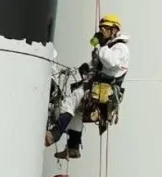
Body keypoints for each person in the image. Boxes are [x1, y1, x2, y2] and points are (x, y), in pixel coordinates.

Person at [45, 13, 130, 159]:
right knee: (77, 112)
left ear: (114, 30)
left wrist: (102, 45)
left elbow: (110, 61)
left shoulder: (120, 47)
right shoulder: (109, 47)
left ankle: (54, 134)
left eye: (105, 28)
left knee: (68, 103)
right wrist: (87, 68)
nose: (101, 30)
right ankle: (73, 147)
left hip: (103, 88)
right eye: (101, 27)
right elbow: (101, 64)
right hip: (97, 86)